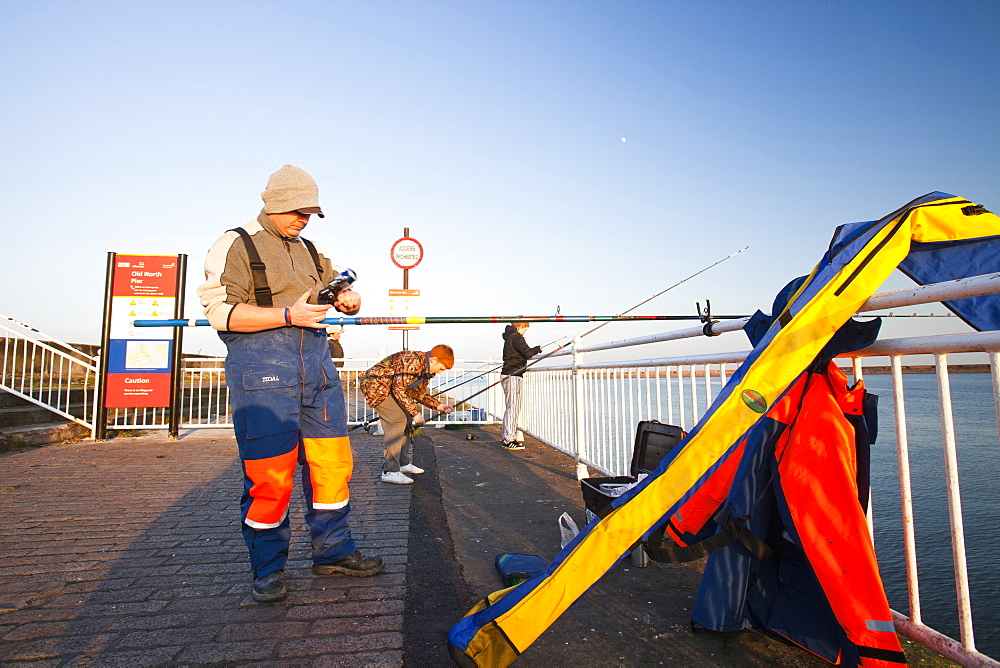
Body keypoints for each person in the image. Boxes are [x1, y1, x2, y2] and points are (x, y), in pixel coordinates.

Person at [198, 164, 382, 604]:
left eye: (310, 212)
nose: (303, 218)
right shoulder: (235, 244)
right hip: (262, 374)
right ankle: (267, 569)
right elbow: (219, 312)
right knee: (270, 478)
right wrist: (286, 315)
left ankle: (334, 552)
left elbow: (331, 294)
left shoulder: (313, 251)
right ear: (273, 203)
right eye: (297, 210)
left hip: (317, 371)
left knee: (333, 468)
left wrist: (346, 300)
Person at [360, 345, 456, 484]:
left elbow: (417, 393)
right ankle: (390, 471)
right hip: (376, 387)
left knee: (406, 419)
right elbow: (399, 389)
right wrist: (416, 413)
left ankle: (403, 463)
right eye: (441, 368)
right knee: (397, 420)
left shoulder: (426, 369)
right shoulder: (413, 361)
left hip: (389, 389)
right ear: (434, 360)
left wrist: (438, 405)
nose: (440, 372)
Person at [500, 321, 542, 450]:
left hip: (510, 374)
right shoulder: (516, 336)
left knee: (512, 407)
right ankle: (508, 440)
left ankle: (509, 437)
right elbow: (528, 352)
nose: (525, 331)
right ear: (519, 326)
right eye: (525, 328)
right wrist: (538, 349)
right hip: (512, 375)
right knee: (513, 407)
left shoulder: (509, 336)